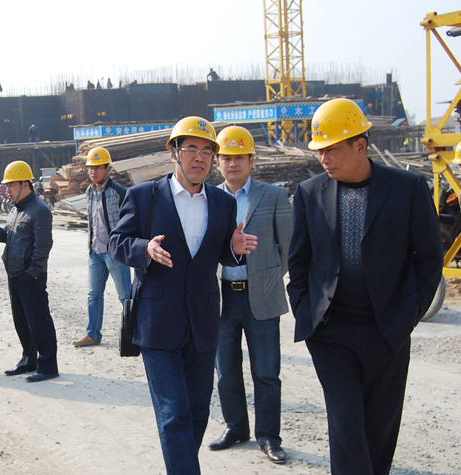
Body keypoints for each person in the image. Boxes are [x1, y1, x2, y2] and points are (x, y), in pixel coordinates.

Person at [287, 98, 443, 475]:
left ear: (360, 145)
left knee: (379, 429)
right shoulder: (309, 192)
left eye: (331, 149)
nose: (323, 158)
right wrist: (306, 310)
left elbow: (428, 258)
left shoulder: (407, 188)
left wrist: (409, 313)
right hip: (330, 333)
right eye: (319, 150)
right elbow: (299, 260)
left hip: (386, 331)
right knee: (346, 426)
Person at [108, 116, 258, 475]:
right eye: (191, 149)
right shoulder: (144, 196)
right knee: (174, 413)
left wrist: (234, 249)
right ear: (174, 152)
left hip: (203, 323)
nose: (200, 158)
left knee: (197, 410)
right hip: (157, 322)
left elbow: (219, 252)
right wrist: (144, 249)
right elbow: (116, 242)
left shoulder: (222, 202)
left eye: (207, 151)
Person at [208, 126, 292, 464]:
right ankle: (236, 427)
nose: (232, 164)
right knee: (226, 371)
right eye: (226, 158)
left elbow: (288, 247)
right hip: (222, 298)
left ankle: (269, 436)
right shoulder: (209, 198)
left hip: (262, 297)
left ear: (251, 160)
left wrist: (267, 278)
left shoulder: (273, 196)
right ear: (218, 162)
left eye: (239, 158)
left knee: (266, 372)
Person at [0, 160, 59, 383]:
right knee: (22, 322)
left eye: (11, 185)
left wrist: (32, 273)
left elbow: (43, 246)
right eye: (6, 185)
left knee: (39, 322)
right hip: (15, 274)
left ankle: (48, 366)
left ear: (25, 184)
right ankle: (29, 361)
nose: (6, 190)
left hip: (30, 277)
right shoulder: (16, 209)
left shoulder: (39, 210)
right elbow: (9, 238)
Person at [72, 147, 131, 347]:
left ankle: (135, 335)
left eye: (98, 168)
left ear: (107, 168)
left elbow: (130, 220)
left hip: (115, 253)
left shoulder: (119, 192)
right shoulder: (89, 192)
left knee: (126, 297)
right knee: (93, 295)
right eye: (91, 168)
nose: (93, 172)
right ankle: (93, 334)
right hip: (95, 253)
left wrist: (124, 245)